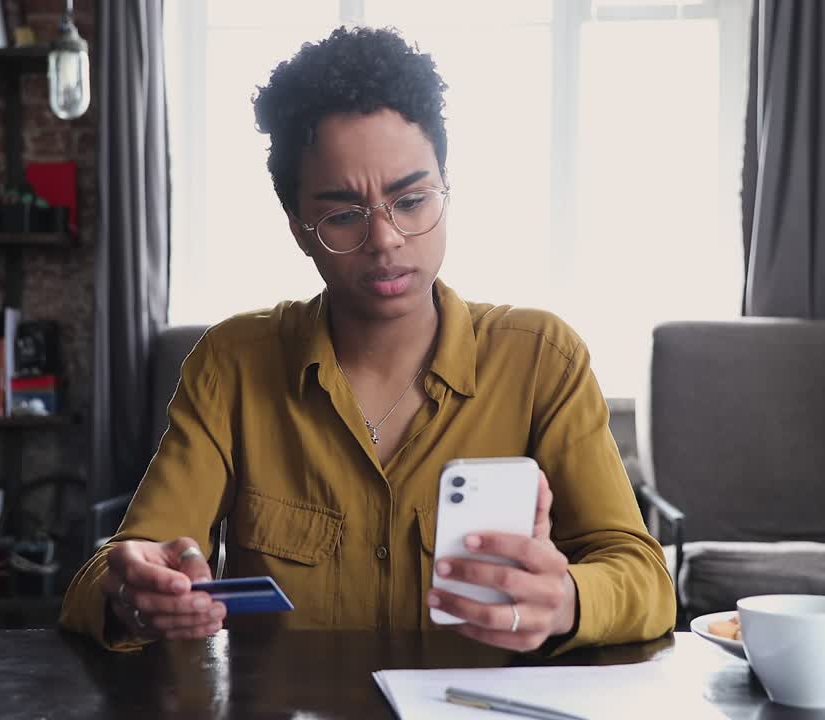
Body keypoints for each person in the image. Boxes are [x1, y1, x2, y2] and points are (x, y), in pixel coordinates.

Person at [60, 26, 674, 654]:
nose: (385, 241)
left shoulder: (542, 358)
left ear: (447, 187)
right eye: (344, 215)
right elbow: (116, 571)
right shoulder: (233, 364)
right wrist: (135, 595)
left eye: (411, 201)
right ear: (299, 228)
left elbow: (645, 578)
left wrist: (568, 598)